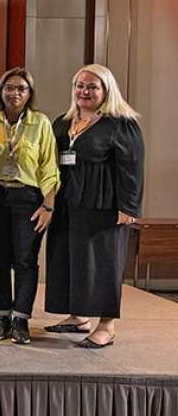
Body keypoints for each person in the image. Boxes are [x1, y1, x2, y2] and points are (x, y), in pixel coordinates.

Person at [44, 64, 144, 349]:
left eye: (92, 87)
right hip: (68, 203)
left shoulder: (122, 124)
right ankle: (78, 317)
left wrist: (129, 208)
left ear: (106, 90)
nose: (84, 91)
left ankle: (106, 326)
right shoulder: (63, 122)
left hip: (104, 206)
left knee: (103, 264)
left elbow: (133, 169)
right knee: (71, 260)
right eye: (80, 86)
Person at [0, 67, 59, 345]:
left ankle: (21, 319)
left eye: (21, 89)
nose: (15, 93)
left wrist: (48, 206)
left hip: (28, 199)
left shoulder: (40, 123)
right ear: (1, 91)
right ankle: (1, 317)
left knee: (25, 261)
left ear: (29, 93)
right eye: (9, 87)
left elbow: (49, 167)